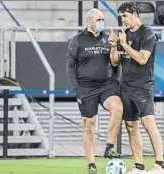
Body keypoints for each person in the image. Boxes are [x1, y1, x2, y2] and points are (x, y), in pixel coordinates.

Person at [108, 2, 164, 174]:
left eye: (125, 16)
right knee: (131, 126)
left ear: (134, 14)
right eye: (121, 17)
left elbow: (142, 59)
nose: (123, 20)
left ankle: (160, 165)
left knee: (149, 124)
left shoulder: (147, 34)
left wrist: (125, 45)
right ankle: (139, 166)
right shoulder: (124, 34)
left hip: (143, 87)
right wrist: (113, 46)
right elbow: (115, 61)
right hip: (125, 87)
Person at [66, 8, 123, 174]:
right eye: (98, 20)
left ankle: (109, 147)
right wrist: (77, 90)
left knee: (118, 107)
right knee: (89, 126)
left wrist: (114, 47)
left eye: (103, 19)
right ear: (89, 21)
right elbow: (69, 66)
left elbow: (115, 63)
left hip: (107, 86)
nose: (101, 22)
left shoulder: (108, 38)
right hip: (85, 88)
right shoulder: (77, 40)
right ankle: (91, 165)